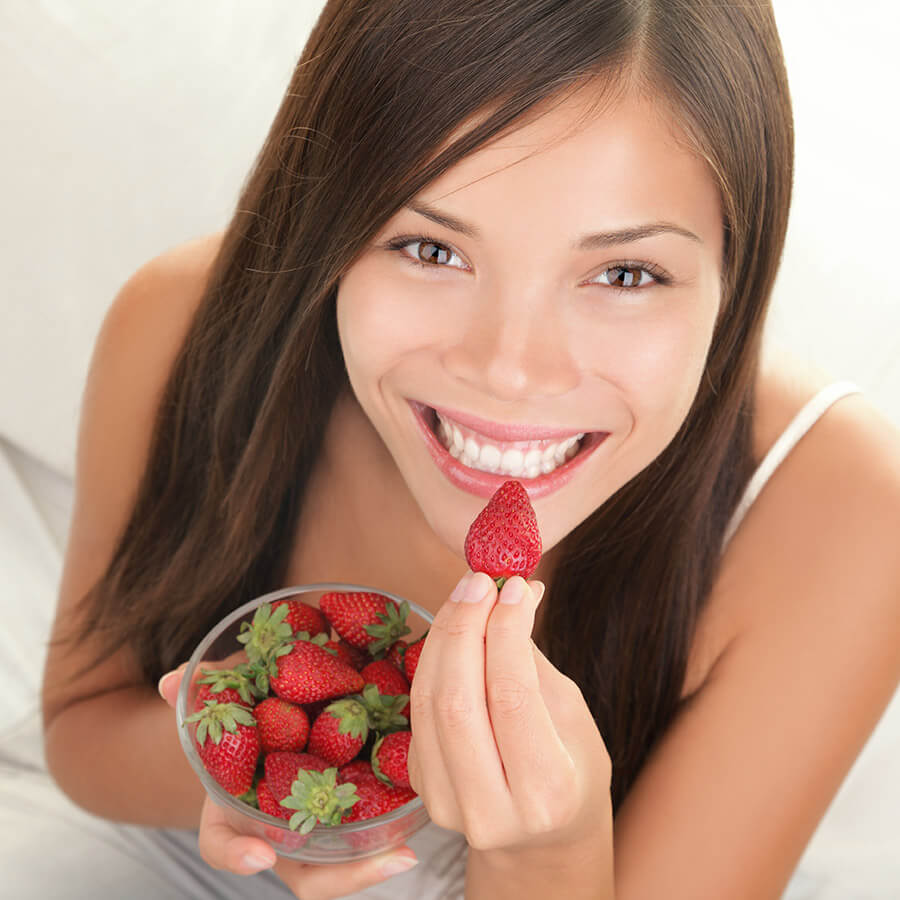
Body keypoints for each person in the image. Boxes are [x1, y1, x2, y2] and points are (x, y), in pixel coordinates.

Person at [32, 1, 900, 898]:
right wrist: (262, 771)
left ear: (736, 275)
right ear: (327, 216)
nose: (509, 371)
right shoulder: (183, 326)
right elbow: (82, 727)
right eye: (429, 248)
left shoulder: (846, 514)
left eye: (624, 273)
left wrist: (545, 852)